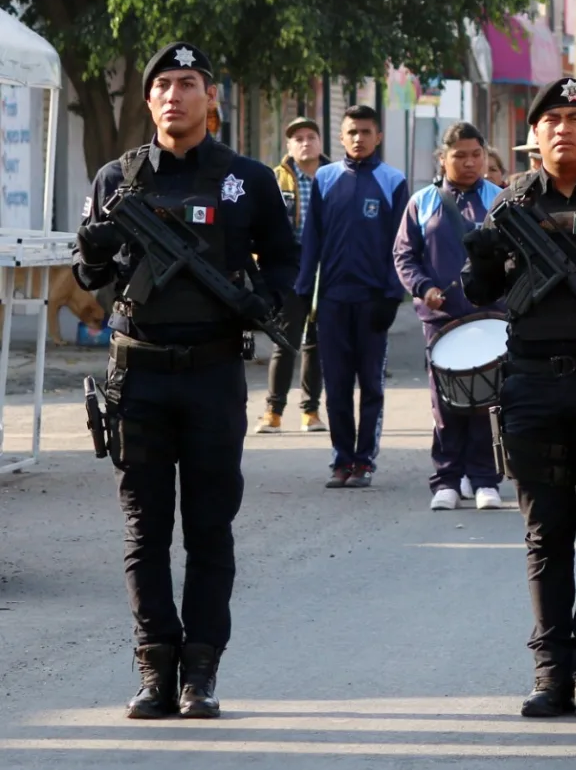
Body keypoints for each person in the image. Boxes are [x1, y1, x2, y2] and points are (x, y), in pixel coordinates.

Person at [73, 42, 297, 719]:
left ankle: (200, 671)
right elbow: (90, 279)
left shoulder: (247, 179)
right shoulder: (119, 177)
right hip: (137, 375)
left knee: (209, 529)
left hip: (213, 373)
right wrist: (90, 255)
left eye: (189, 84)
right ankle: (153, 668)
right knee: (145, 531)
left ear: (211, 99)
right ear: (149, 101)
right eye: (163, 85)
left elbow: (286, 263)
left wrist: (258, 297)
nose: (175, 95)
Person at [460, 76, 576, 719]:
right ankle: (551, 674)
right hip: (534, 383)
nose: (565, 127)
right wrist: (480, 257)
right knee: (546, 533)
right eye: (553, 119)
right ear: (533, 134)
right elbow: (481, 293)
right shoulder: (510, 203)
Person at [393, 121, 505, 511]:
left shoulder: (501, 199)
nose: (470, 162)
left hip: (490, 317)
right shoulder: (422, 202)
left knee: (489, 400)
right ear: (443, 158)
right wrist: (424, 288)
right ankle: (447, 479)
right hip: (442, 321)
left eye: (477, 155)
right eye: (460, 155)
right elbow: (404, 256)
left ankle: (486, 479)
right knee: (445, 402)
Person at [296, 105, 408, 489]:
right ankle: (341, 459)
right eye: (351, 132)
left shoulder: (393, 181)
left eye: (366, 131)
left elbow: (401, 245)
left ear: (377, 136)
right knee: (337, 384)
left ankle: (365, 461)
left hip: (373, 300)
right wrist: (301, 289)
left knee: (371, 384)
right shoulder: (325, 178)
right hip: (332, 300)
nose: (358, 138)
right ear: (340, 138)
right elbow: (312, 241)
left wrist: (392, 296)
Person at [255, 117, 328, 434]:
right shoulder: (275, 179)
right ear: (288, 146)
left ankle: (310, 412)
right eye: (297, 138)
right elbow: (259, 223)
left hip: (325, 267)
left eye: (311, 136)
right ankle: (273, 412)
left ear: (321, 143)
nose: (305, 142)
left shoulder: (333, 177)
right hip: (288, 266)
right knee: (285, 340)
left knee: (317, 341)